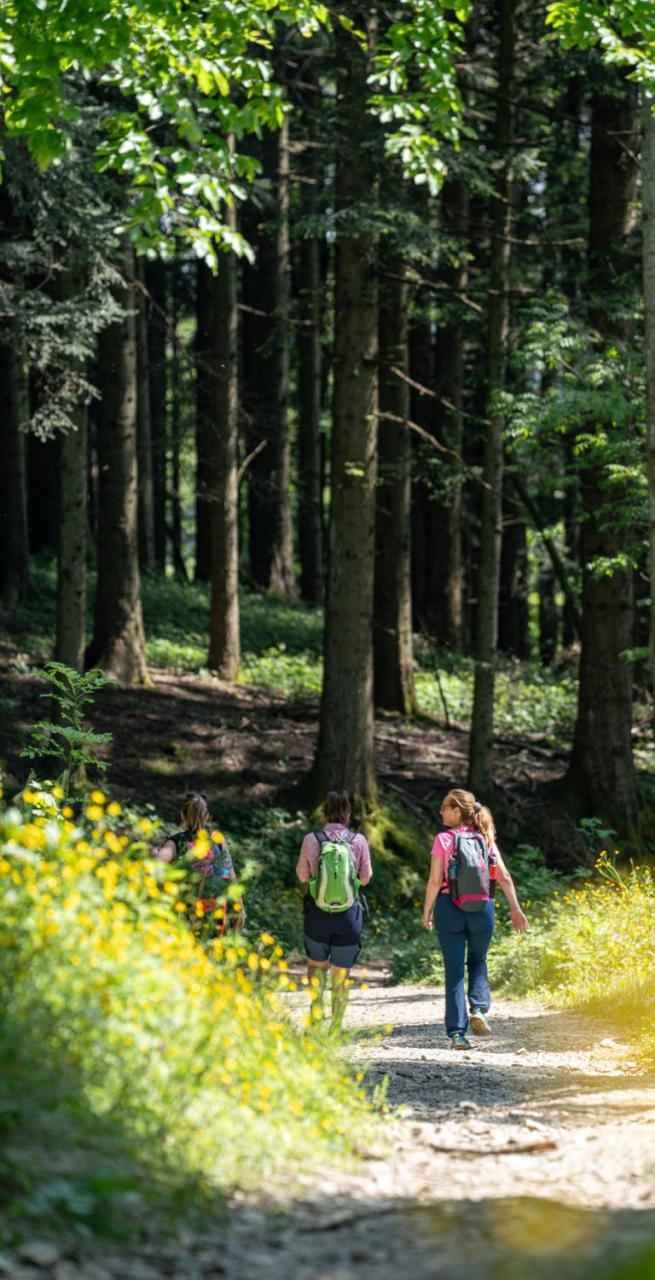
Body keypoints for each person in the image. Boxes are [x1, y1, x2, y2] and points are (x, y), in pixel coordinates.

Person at [422, 788, 527, 1049]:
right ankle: (479, 1009)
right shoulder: (485, 837)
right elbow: (503, 876)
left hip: (449, 907)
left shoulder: (443, 839)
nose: (441, 812)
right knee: (478, 960)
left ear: (456, 810)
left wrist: (427, 910)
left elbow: (435, 880)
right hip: (483, 907)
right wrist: (515, 908)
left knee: (454, 970)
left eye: (445, 807)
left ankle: (458, 1034)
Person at [296, 790, 372, 1031]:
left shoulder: (312, 839)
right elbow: (366, 877)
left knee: (316, 966)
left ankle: (316, 1019)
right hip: (348, 916)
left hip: (317, 914)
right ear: (348, 813)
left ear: (324, 813)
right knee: (341, 974)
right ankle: (336, 1027)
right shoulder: (358, 840)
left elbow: (302, 875)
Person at [154, 791, 241, 934]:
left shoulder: (176, 842)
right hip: (215, 913)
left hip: (185, 913)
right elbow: (231, 877)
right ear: (207, 816)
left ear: (183, 816)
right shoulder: (217, 839)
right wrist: (240, 910)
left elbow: (156, 865)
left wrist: (154, 852)